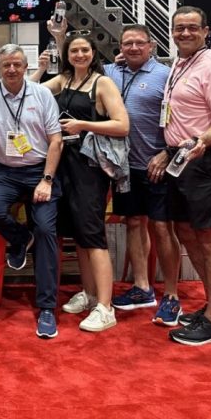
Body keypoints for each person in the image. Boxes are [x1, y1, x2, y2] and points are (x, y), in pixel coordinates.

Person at [150, 6, 211, 346]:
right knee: (186, 231)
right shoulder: (181, 63)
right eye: (179, 28)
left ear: (206, 31)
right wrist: (171, 149)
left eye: (192, 27)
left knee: (209, 238)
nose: (185, 33)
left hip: (206, 162)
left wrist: (202, 140)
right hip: (181, 159)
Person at [35, 31, 129, 333]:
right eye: (74, 50)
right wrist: (40, 67)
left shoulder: (102, 83)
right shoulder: (64, 80)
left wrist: (83, 124)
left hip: (90, 167)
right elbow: (31, 90)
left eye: (84, 50)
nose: (79, 55)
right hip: (64, 164)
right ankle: (89, 294)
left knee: (93, 234)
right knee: (78, 234)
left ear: (93, 53)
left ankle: (106, 306)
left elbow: (122, 125)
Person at [0, 45, 63, 338]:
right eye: (6, 65)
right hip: (5, 172)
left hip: (39, 170)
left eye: (16, 64)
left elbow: (56, 141)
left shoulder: (41, 94)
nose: (11, 69)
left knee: (46, 230)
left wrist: (47, 180)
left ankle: (47, 307)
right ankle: (21, 238)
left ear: (26, 67)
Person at [102, 25, 184, 326]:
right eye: (128, 43)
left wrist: (167, 152)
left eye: (139, 43)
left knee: (161, 228)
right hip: (124, 168)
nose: (133, 48)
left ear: (151, 46)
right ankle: (142, 287)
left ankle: (171, 296)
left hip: (156, 165)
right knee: (133, 223)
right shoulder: (111, 72)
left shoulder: (166, 76)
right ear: (120, 47)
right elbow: (77, 66)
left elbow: (180, 119)